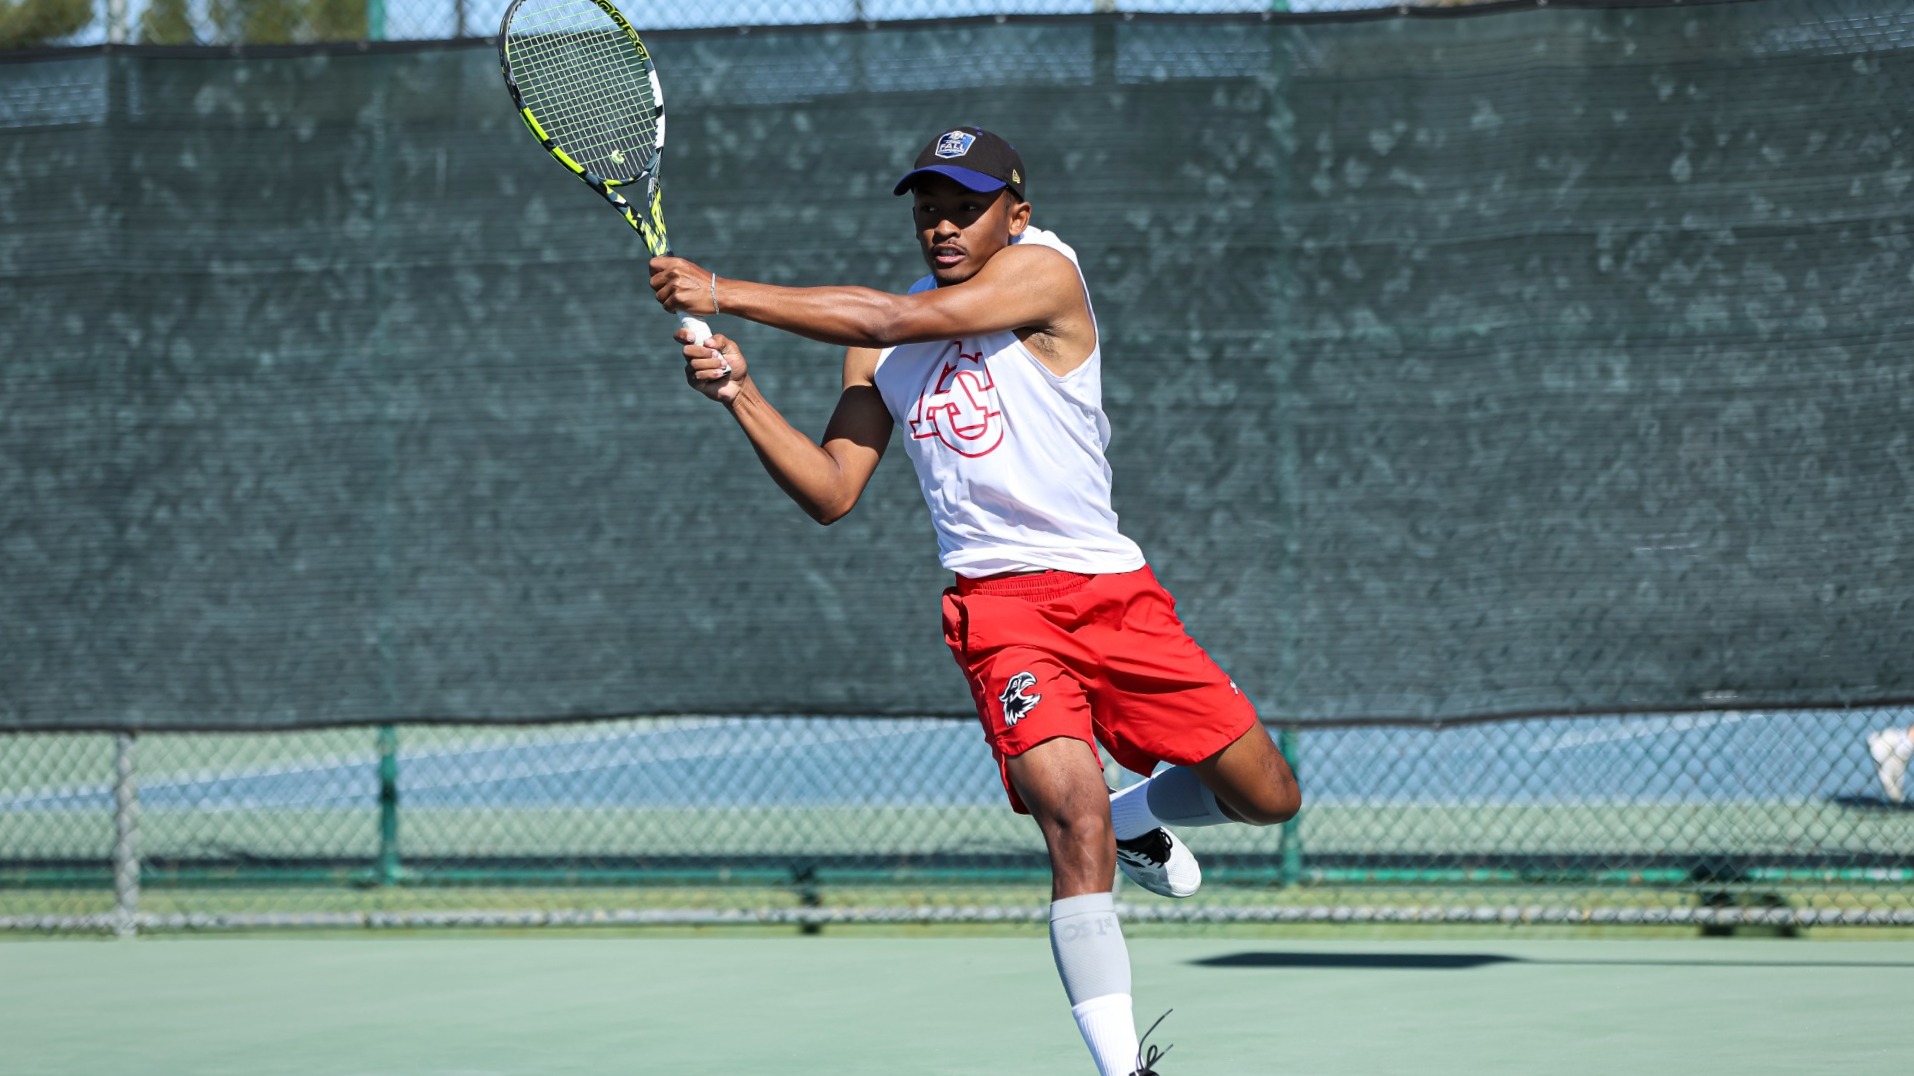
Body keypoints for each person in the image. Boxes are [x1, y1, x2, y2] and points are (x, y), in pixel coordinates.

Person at [648, 126, 1301, 1076]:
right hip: (1001, 615)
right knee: (1069, 823)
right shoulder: (879, 356)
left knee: (1266, 796)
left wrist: (722, 293)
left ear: (1017, 215)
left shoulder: (1046, 275)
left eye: (966, 206)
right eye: (928, 209)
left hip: (1113, 592)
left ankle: (1137, 815)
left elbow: (885, 320)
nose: (944, 225)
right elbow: (833, 489)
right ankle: (1125, 1069)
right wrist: (743, 394)